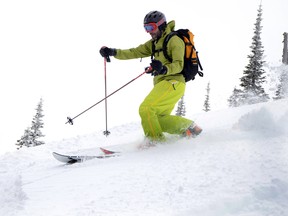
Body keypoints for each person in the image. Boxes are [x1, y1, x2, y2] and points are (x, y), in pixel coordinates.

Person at [100, 10, 202, 145]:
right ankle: (190, 128)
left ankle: (155, 143)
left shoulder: (174, 40)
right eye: (146, 28)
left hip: (174, 82)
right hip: (164, 84)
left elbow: (178, 65)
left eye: (151, 27)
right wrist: (113, 52)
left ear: (161, 25)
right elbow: (135, 51)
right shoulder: (154, 43)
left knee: (146, 109)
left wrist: (163, 69)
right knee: (157, 119)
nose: (149, 31)